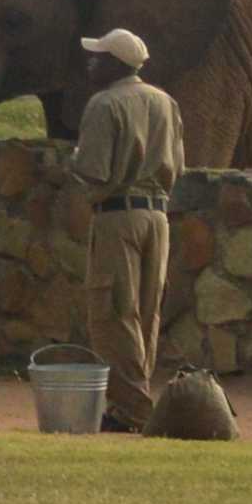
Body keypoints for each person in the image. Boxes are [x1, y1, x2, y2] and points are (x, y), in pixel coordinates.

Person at [70, 28, 185, 434]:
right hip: (158, 216)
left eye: (98, 57)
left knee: (113, 312)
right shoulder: (165, 102)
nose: (91, 62)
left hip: (117, 217)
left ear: (116, 64)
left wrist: (75, 158)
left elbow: (93, 170)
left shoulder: (104, 104)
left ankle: (136, 409)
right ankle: (129, 406)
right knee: (146, 312)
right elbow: (178, 165)